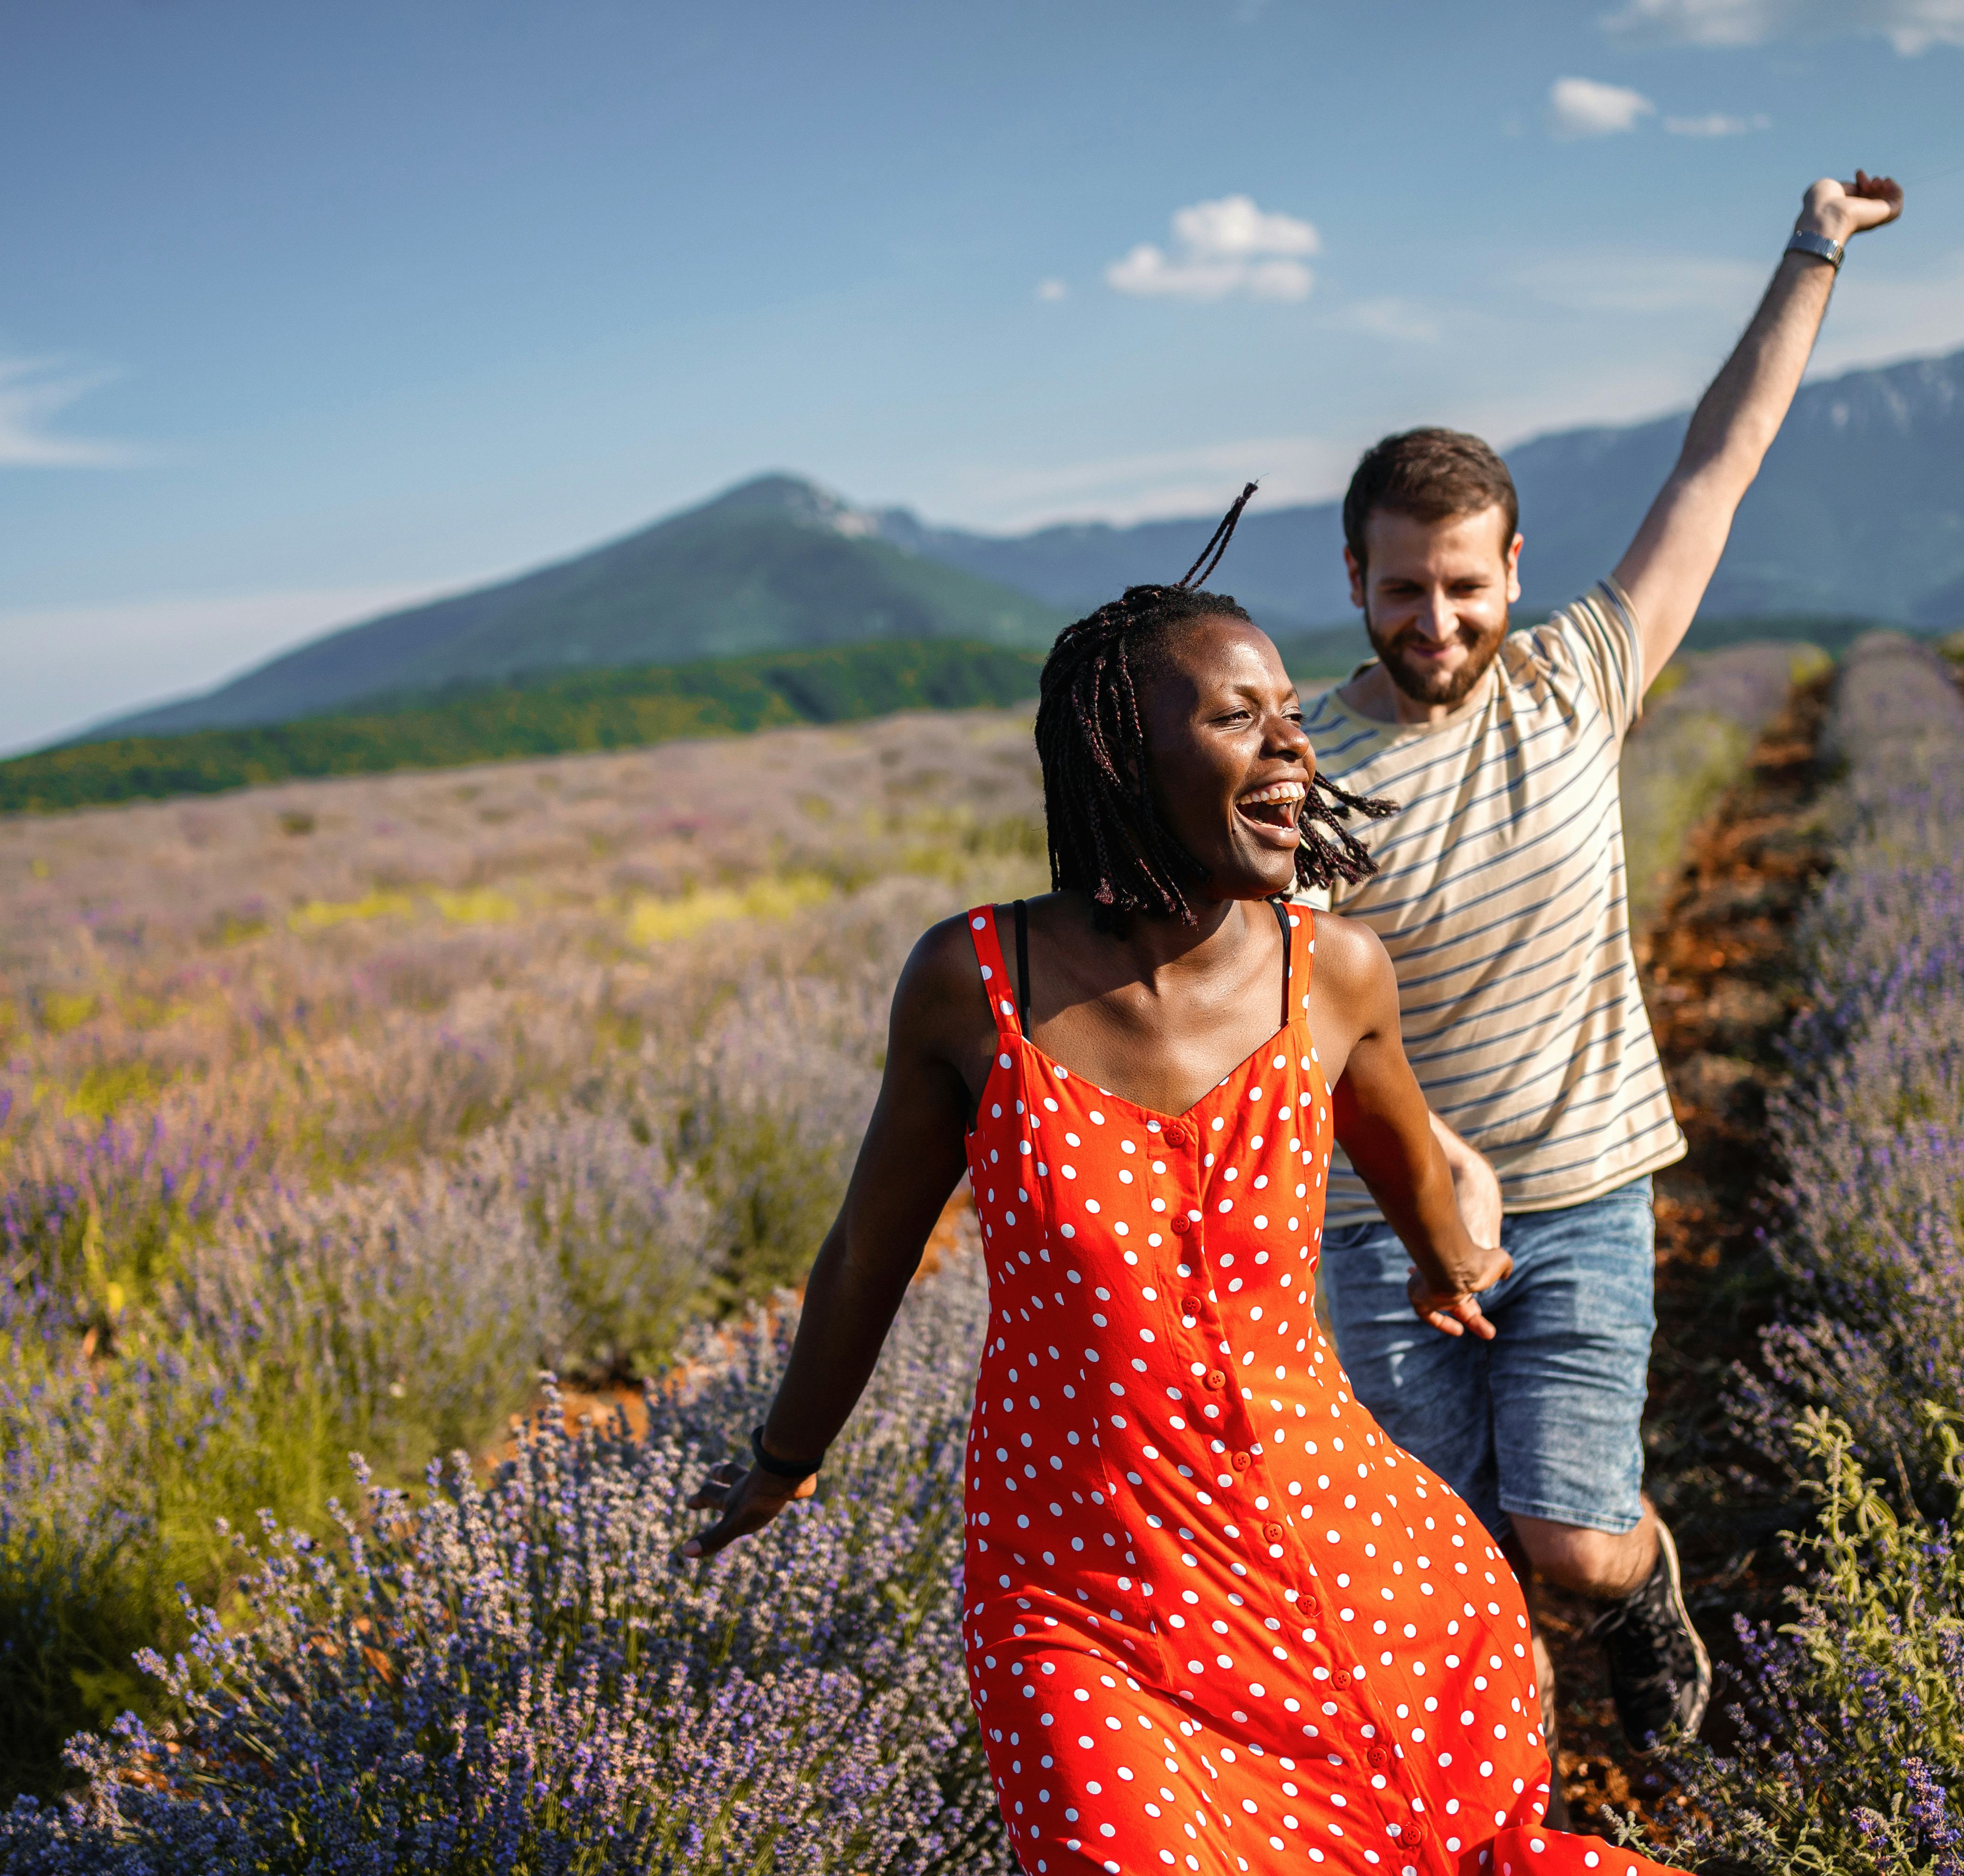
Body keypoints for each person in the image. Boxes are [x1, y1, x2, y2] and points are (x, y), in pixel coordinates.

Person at [679, 504, 1694, 1876]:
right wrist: (785, 1458)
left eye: (1293, 712)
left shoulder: (1330, 971)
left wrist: (1454, 1264)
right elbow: (868, 1254)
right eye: (1240, 719)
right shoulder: (974, 987)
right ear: (1124, 760)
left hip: (1327, 1550)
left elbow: (1402, 1157)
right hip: (1079, 1594)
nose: (1294, 744)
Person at [1299, 171, 1905, 1751]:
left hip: (1578, 1189)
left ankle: (1641, 1591)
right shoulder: (1293, 768)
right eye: (1404, 588)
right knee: (1440, 1555)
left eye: (1465, 584)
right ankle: (1496, 1793)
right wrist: (1417, 1174)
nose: (1436, 617)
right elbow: (1259, 1009)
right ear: (1353, 580)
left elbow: (1725, 458)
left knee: (1566, 1536)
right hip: (1378, 1224)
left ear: (1513, 570)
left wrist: (1813, 249)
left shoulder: (1579, 681)